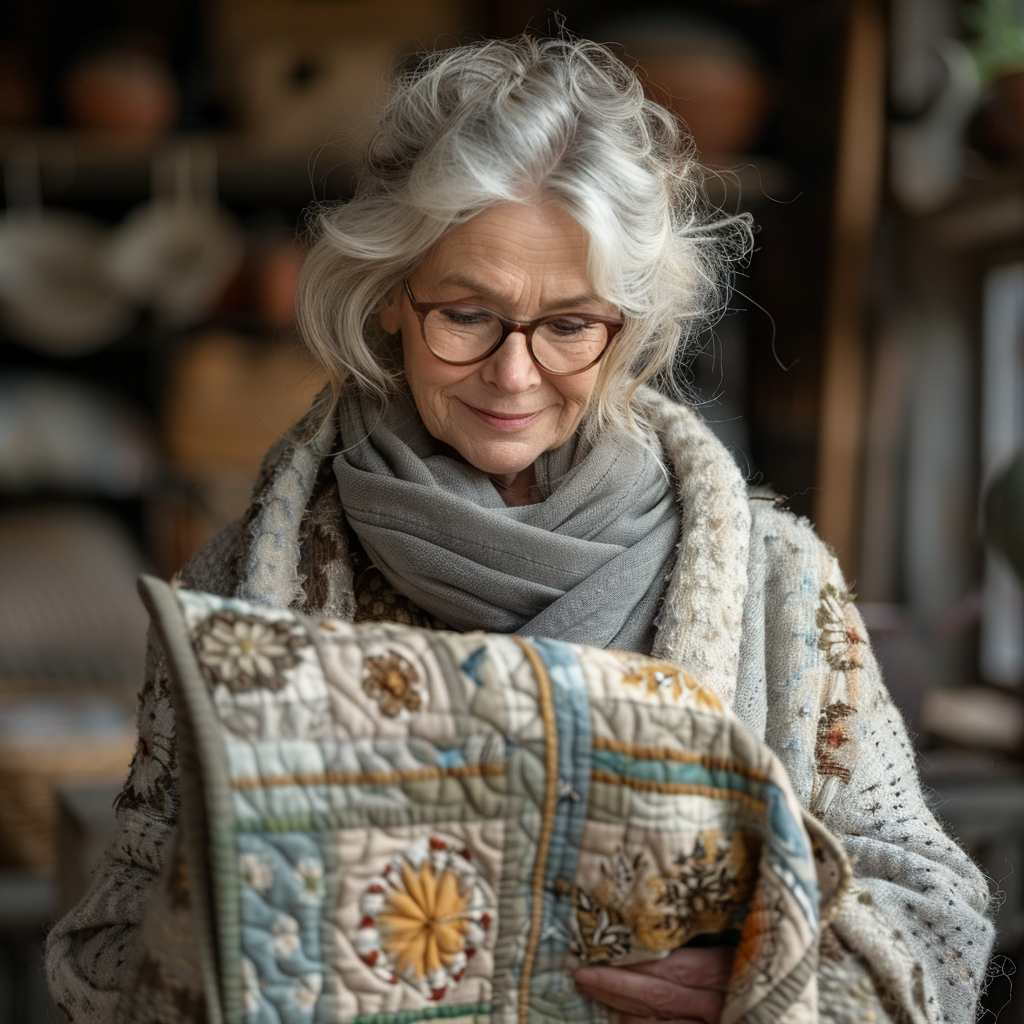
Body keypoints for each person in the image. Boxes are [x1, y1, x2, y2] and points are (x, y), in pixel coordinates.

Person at [46, 34, 993, 1024]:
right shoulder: (240, 579)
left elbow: (937, 915)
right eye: (467, 314)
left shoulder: (778, 585)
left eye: (571, 324)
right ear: (388, 305)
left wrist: (767, 981)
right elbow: (104, 950)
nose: (514, 373)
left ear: (630, 328)